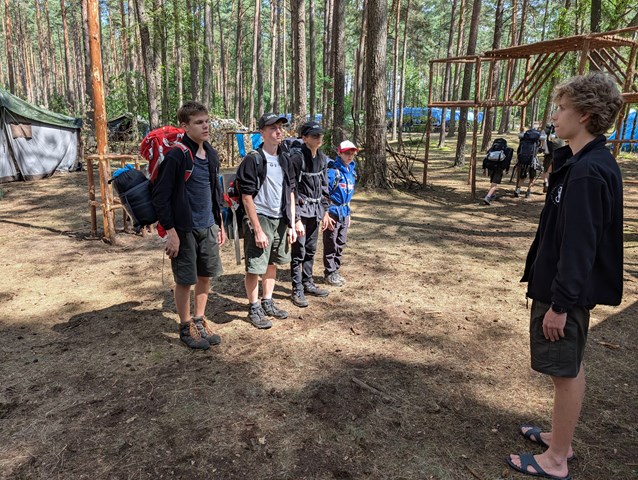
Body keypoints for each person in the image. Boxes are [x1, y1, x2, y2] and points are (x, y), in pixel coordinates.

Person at [507, 73, 624, 480]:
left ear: (586, 115)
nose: (554, 116)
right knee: (567, 368)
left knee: (564, 372)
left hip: (564, 296)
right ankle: (560, 439)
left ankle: (556, 459)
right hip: (561, 290)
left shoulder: (589, 171)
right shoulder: (578, 163)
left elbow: (580, 247)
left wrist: (559, 305)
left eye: (561, 108)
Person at [152, 101, 226, 350]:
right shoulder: (177, 155)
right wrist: (171, 233)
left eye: (206, 121)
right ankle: (185, 327)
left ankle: (199, 320)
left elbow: (215, 192)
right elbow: (160, 197)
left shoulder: (211, 153)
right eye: (198, 122)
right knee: (185, 280)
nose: (205, 126)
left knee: (205, 276)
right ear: (184, 126)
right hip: (184, 229)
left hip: (208, 226)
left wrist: (219, 224)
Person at [236, 113, 297, 329]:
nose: (278, 131)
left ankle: (267, 301)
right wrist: (257, 229)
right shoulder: (253, 159)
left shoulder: (285, 158)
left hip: (280, 218)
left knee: (272, 263)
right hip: (260, 217)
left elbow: (291, 191)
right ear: (261, 132)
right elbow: (246, 197)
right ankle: (254, 307)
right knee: (255, 266)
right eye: (272, 128)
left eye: (280, 127)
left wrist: (291, 224)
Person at [289, 121, 331, 307]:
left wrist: (325, 211)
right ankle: (297, 288)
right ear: (304, 138)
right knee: (298, 250)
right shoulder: (297, 159)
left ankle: (307, 282)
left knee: (311, 248)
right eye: (314, 135)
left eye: (320, 135)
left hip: (315, 210)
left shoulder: (322, 158)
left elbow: (324, 186)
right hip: (301, 210)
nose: (318, 138)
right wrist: (296, 219)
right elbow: (291, 189)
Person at [323, 140, 358, 287]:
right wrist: (325, 214)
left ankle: (336, 270)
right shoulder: (333, 172)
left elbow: (348, 195)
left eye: (352, 153)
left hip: (344, 212)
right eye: (346, 153)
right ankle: (329, 272)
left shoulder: (352, 172)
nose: (349, 156)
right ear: (339, 153)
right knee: (331, 242)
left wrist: (349, 214)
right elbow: (324, 194)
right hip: (333, 212)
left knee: (341, 242)